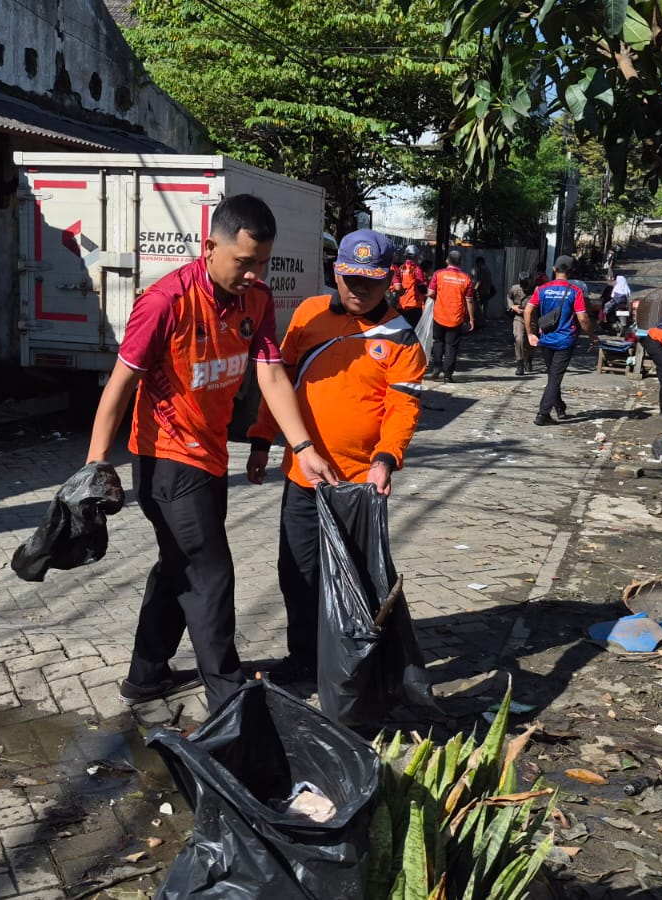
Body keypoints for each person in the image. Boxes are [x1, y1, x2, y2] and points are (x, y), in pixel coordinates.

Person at [83, 193, 339, 714]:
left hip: (212, 456)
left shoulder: (256, 299)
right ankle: (227, 696)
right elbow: (121, 384)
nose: (253, 274)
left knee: (179, 566)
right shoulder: (166, 302)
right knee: (210, 572)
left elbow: (270, 373)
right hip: (166, 459)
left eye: (262, 262)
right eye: (244, 262)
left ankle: (146, 676)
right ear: (209, 248)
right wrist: (95, 464)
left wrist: (303, 446)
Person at [245, 229, 426, 683]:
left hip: (359, 486)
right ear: (336, 273)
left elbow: (403, 407)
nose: (358, 289)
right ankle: (305, 656)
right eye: (350, 278)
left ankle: (355, 661)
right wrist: (262, 439)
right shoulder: (309, 314)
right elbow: (279, 382)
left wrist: (386, 459)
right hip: (303, 477)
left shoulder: (402, 338)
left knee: (357, 579)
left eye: (370, 281)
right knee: (297, 571)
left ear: (389, 281)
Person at [524, 255, 593, 425]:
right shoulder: (575, 291)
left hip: (546, 338)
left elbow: (528, 310)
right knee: (555, 377)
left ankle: (560, 408)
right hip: (565, 340)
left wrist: (530, 333)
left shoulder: (541, 289)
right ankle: (543, 414)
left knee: (553, 375)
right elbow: (583, 318)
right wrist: (593, 336)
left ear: (554, 269)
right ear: (571, 271)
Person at [427, 249, 476, 383]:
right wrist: (471, 319)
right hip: (456, 317)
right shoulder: (466, 278)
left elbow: (430, 293)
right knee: (451, 346)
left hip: (439, 315)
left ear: (447, 260)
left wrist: (438, 298)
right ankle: (448, 375)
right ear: (461, 262)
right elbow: (469, 300)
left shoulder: (438, 274)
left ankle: (437, 367)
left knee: (438, 341)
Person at [506, 271, 534, 377]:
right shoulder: (514, 289)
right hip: (519, 317)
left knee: (530, 342)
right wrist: (512, 306)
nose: (525, 288)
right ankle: (520, 365)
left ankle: (529, 359)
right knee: (519, 339)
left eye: (527, 285)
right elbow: (509, 297)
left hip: (532, 318)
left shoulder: (536, 290)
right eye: (523, 285)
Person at [392, 245, 426, 327]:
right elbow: (422, 288)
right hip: (414, 306)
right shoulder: (416, 269)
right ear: (416, 256)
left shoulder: (400, 268)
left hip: (401, 305)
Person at [471, 256, 498, 328]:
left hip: (482, 291)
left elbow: (479, 280)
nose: (477, 265)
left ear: (480, 262)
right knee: (484, 305)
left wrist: (475, 289)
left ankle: (481, 322)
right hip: (487, 290)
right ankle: (484, 320)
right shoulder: (487, 269)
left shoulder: (482, 269)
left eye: (477, 263)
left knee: (479, 306)